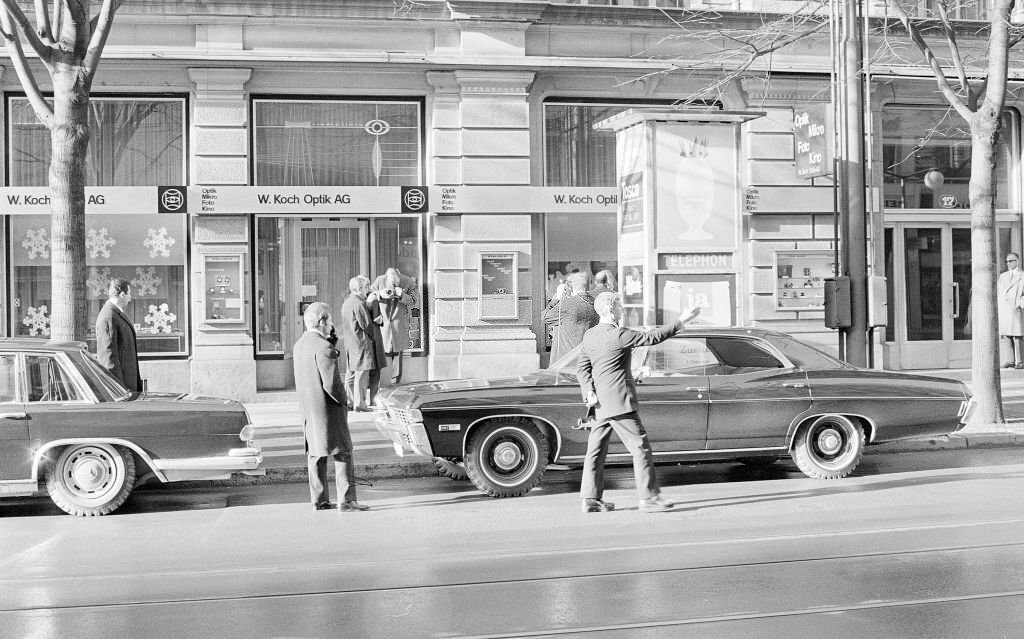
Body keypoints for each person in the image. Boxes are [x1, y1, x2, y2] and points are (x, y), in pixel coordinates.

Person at [577, 292, 700, 514]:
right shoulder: (619, 335)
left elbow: (582, 369)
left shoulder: (590, 335)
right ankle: (649, 497)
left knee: (595, 451)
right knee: (640, 447)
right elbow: (652, 337)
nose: (623, 310)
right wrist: (682, 321)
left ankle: (590, 499)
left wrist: (589, 392)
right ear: (612, 310)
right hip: (619, 403)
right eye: (621, 307)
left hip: (599, 406)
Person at [293, 302, 368, 512]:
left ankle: (319, 500)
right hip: (328, 410)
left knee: (316, 455)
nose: (332, 325)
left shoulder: (299, 345)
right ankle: (347, 500)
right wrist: (346, 401)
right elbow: (332, 384)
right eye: (330, 320)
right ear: (322, 321)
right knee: (343, 453)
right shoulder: (324, 347)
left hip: (309, 410)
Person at [340, 275, 386, 410]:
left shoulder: (347, 302)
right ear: (359, 288)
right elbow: (366, 324)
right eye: (366, 286)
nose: (369, 289)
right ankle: (360, 404)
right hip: (362, 343)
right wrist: (376, 324)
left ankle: (349, 401)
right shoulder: (359, 303)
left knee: (352, 374)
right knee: (362, 374)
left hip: (351, 342)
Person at [95, 278, 143, 392]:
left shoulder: (114, 314)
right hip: (122, 388)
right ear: (122, 294)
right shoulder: (109, 316)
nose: (130, 298)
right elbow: (108, 357)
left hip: (127, 385)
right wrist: (118, 389)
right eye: (129, 294)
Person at [544, 272, 599, 363]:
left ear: (570, 286)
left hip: (567, 359)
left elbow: (545, 317)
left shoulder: (567, 304)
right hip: (587, 358)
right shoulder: (597, 303)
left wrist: (556, 299)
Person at [372, 267, 414, 385]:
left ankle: (396, 382)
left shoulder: (408, 282)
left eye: (395, 284)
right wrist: (380, 294)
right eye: (391, 285)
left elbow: (414, 301)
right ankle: (384, 383)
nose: (393, 288)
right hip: (383, 325)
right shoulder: (380, 281)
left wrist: (401, 296)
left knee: (397, 356)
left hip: (399, 325)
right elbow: (369, 296)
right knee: (383, 355)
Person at [998, 252, 1024, 368]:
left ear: (1017, 261)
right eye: (1007, 261)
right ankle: (1009, 359)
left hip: (1016, 307)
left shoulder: (1022, 275)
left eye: (1011, 261)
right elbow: (999, 292)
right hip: (1005, 308)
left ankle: (1020, 361)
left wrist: (1020, 302)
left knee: (1018, 335)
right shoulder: (1003, 276)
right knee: (1006, 335)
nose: (1008, 263)